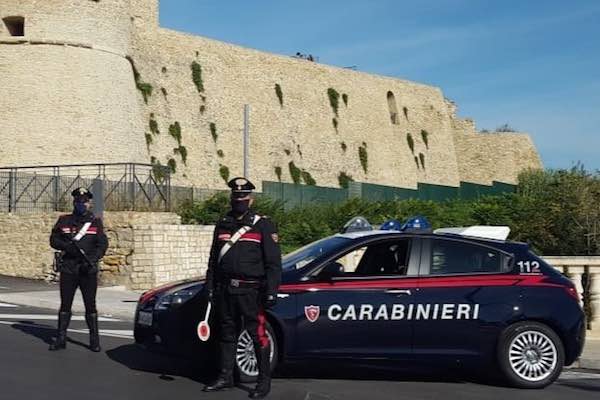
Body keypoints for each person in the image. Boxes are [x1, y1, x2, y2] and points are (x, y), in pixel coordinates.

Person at [203, 177, 282, 399]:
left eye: (243, 197)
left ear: (251, 199)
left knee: (258, 336)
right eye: (235, 196)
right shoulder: (223, 223)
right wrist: (210, 286)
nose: (238, 200)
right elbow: (213, 260)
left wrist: (272, 291)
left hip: (251, 291)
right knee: (226, 333)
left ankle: (263, 381)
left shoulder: (263, 225)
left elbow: (273, 263)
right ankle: (226, 376)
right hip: (226, 289)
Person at [49, 187, 108, 352]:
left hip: (87, 269)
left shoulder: (95, 222)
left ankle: (94, 340)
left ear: (89, 203)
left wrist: (93, 258)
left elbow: (102, 244)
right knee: (65, 304)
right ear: (74, 202)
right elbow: (53, 240)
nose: (81, 204)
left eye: (84, 201)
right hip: (69, 268)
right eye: (78, 201)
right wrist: (67, 246)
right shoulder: (64, 221)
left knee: (90, 305)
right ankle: (61, 338)